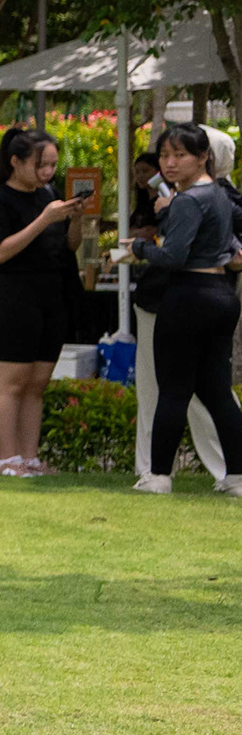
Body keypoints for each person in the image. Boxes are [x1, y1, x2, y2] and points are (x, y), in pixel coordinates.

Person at [126, 119, 241, 496]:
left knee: (173, 390)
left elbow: (173, 255)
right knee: (216, 391)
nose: (170, 163)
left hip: (188, 295)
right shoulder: (220, 194)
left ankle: (158, 475)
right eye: (164, 155)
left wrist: (138, 248)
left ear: (203, 157)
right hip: (221, 294)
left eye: (180, 155)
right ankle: (237, 476)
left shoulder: (189, 200)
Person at [0, 126, 86, 475]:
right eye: (41, 165)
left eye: (53, 165)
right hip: (14, 295)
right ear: (15, 162)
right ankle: (7, 459)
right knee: (13, 380)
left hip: (52, 293)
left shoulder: (49, 195)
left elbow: (70, 246)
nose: (48, 172)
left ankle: (29, 457)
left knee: (38, 382)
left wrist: (75, 219)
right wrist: (44, 219)